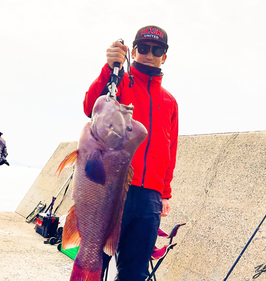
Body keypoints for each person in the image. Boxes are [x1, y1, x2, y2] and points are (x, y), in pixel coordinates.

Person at [83, 25, 178, 280]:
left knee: (135, 271)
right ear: (133, 51)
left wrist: (165, 193)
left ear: (164, 56)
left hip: (150, 198)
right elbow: (90, 106)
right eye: (143, 48)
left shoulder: (170, 102)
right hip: (113, 190)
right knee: (94, 259)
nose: (149, 54)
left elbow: (171, 149)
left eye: (156, 49)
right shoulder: (121, 81)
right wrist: (110, 67)